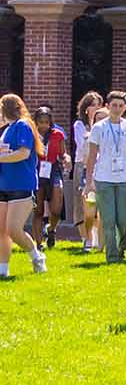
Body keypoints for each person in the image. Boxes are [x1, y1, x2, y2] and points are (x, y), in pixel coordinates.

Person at [84, 91, 126, 263]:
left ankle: (121, 249)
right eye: (113, 105)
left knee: (123, 219)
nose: (117, 109)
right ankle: (112, 256)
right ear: (107, 107)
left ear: (125, 108)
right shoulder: (99, 128)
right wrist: (89, 181)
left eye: (120, 106)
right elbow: (92, 156)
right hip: (103, 178)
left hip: (125, 178)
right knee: (108, 220)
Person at [0, 96, 46, 277]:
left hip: (22, 184)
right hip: (4, 184)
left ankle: (36, 256)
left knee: (13, 229)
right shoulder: (7, 129)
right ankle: (3, 269)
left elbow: (23, 153)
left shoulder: (23, 125)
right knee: (1, 229)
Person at [31, 107, 67, 247]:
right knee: (38, 210)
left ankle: (51, 229)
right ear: (36, 122)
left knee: (56, 209)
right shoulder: (32, 135)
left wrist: (66, 158)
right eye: (41, 122)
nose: (44, 125)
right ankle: (38, 243)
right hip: (37, 170)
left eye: (47, 122)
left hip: (53, 170)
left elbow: (62, 153)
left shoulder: (57, 135)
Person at [71, 92, 101, 252]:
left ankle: (95, 238)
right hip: (81, 165)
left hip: (98, 167)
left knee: (96, 203)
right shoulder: (79, 125)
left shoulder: (103, 125)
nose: (97, 108)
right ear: (86, 107)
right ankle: (84, 237)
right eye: (93, 105)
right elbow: (82, 145)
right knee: (82, 202)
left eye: (98, 105)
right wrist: (90, 124)